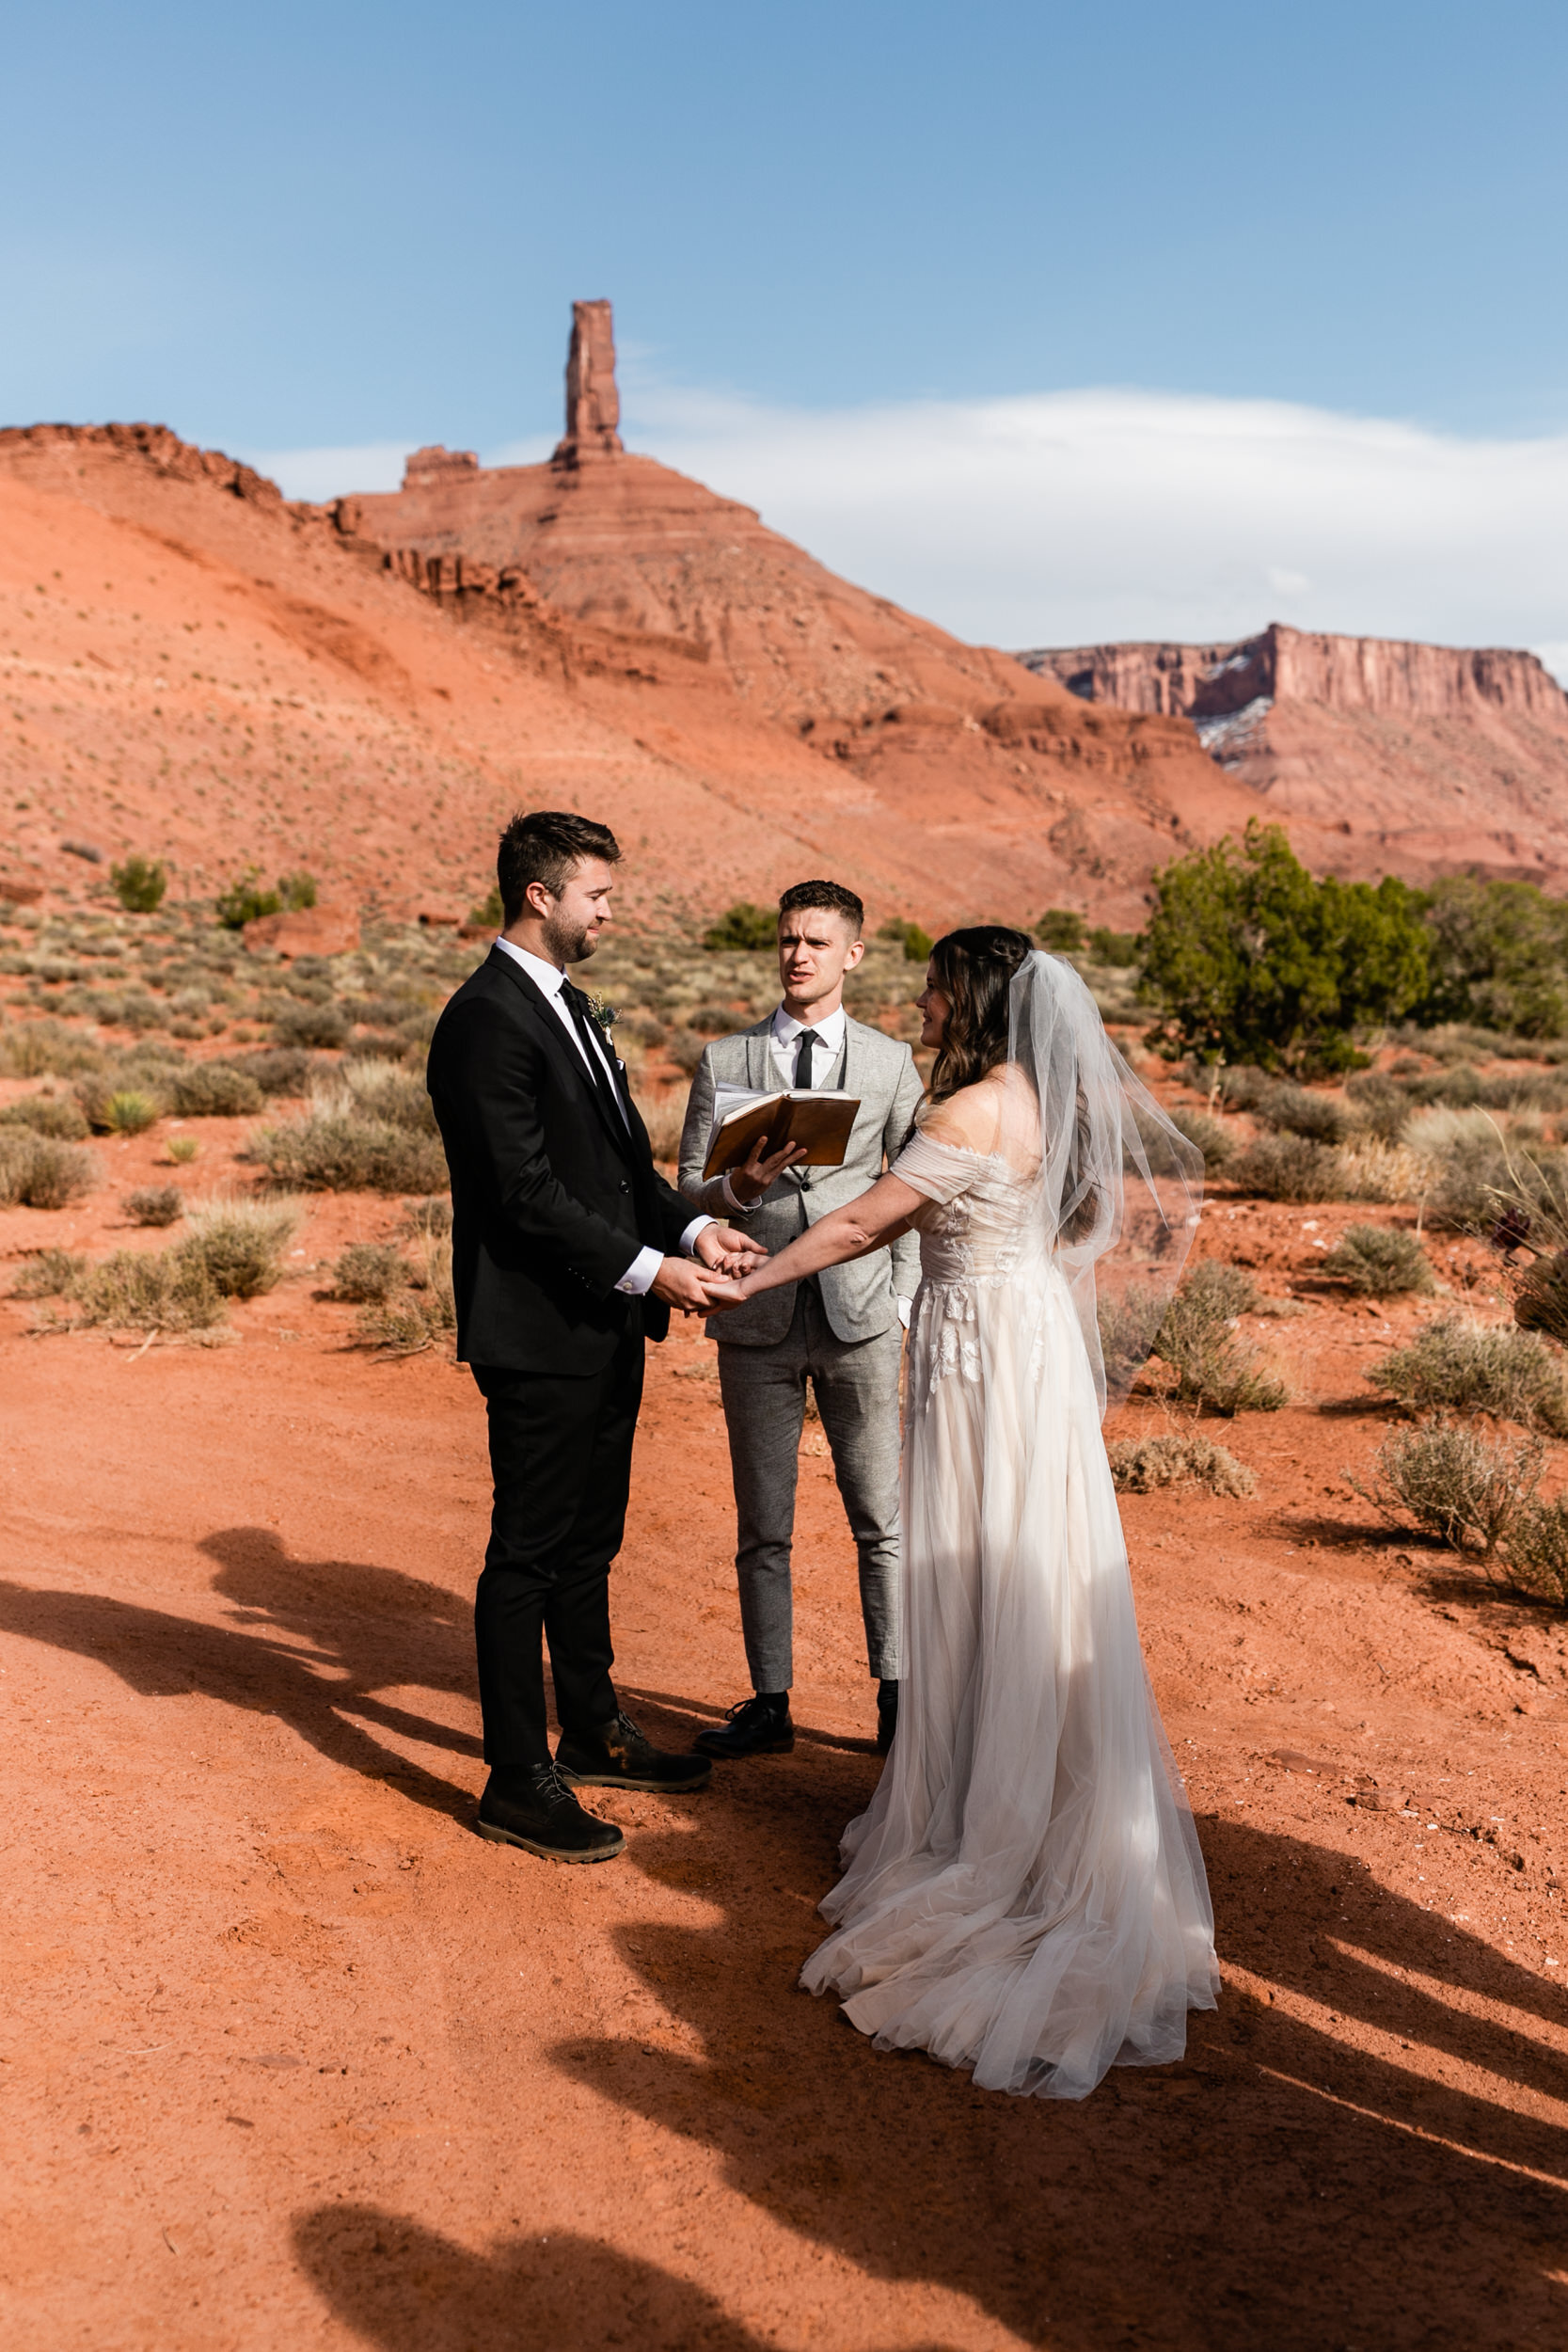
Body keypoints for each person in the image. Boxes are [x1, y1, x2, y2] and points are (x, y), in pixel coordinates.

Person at [705, 928, 1219, 2098]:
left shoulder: (968, 1111)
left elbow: (855, 1226)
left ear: (972, 996)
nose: (921, 1000)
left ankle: (988, 1833)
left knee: (978, 1567)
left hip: (976, 1359)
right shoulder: (1054, 1099)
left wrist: (745, 1276)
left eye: (935, 984)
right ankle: (1036, 1798)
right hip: (1025, 1341)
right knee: (1030, 1565)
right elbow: (1082, 1223)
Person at [426, 809, 766, 1864]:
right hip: (537, 1330)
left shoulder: (570, 1010)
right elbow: (521, 1192)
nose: (609, 911)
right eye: (597, 894)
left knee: (588, 1540)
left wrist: (696, 1227)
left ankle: (592, 1729)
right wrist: (652, 1271)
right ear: (540, 895)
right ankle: (515, 1778)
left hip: (603, 1318)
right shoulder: (486, 1019)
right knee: (524, 1554)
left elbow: (616, 1173)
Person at [677, 882, 923, 1759]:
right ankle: (769, 1701)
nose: (798, 955)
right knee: (762, 1523)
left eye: (817, 942)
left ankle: (898, 1698)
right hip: (753, 1315)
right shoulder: (725, 1058)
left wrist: (900, 1295)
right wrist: (734, 1190)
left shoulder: (893, 1062)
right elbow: (688, 1193)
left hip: (859, 1316)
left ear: (852, 954)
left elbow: (915, 1190)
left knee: (880, 1519)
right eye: (787, 939)